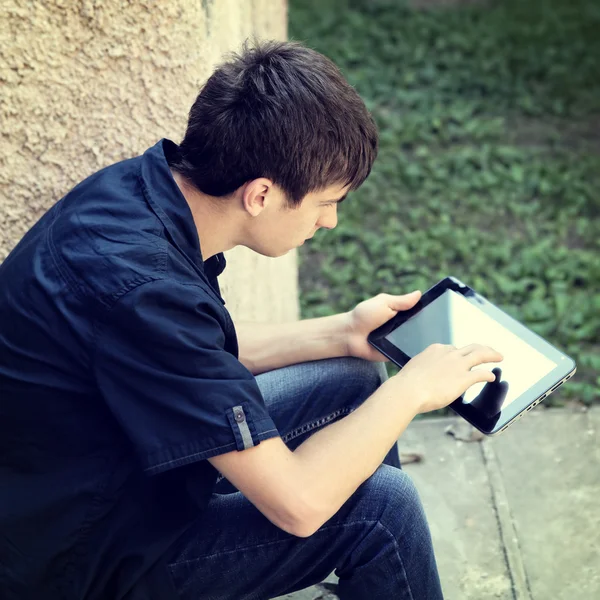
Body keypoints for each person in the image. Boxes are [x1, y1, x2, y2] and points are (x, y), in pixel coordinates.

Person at [0, 41, 503, 600]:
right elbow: (299, 505)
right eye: (325, 202)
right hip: (89, 555)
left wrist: (341, 332)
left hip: (115, 465)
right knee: (383, 511)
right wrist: (412, 391)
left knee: (353, 378)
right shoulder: (140, 289)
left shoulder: (140, 192)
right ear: (261, 194)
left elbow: (194, 355)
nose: (331, 221)